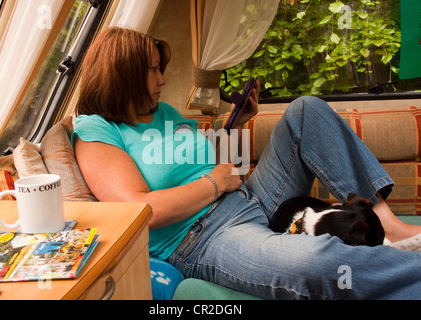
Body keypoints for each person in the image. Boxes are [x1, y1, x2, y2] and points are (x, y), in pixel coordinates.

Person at [71, 27, 421, 299]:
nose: (162, 78)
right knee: (317, 261)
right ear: (125, 75)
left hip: (248, 197)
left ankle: (387, 224)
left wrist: (231, 126)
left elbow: (196, 158)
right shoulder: (95, 131)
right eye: (153, 70)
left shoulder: (161, 112)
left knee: (306, 110)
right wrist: (216, 184)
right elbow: (140, 209)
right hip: (204, 238)